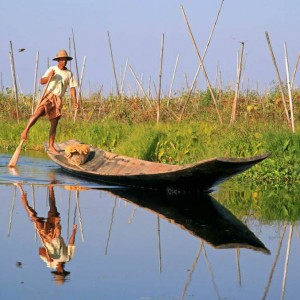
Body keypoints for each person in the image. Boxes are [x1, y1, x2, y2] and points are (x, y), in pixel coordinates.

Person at [15, 183, 77, 284]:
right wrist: (74, 231)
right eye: (61, 272)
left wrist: (48, 257)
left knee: (36, 219)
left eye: (59, 273)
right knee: (54, 210)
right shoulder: (67, 257)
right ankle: (51, 188)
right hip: (56, 233)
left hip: (47, 239)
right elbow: (71, 244)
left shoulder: (50, 264)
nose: (60, 271)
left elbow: (40, 250)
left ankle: (25, 203)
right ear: (64, 271)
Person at [21, 49, 79, 154]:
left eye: (65, 59)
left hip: (58, 99)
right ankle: (25, 131)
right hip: (49, 96)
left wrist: (75, 101)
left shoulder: (69, 73)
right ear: (58, 60)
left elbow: (72, 88)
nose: (64, 61)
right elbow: (42, 81)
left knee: (54, 123)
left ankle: (51, 146)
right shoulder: (52, 69)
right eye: (62, 59)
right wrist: (49, 77)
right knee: (38, 113)